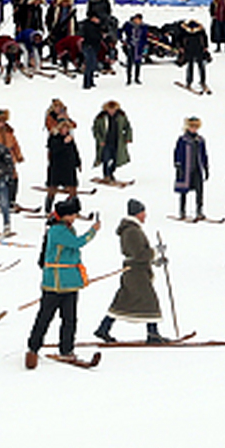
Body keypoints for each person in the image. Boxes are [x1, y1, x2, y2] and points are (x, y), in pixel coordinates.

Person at [26, 200, 101, 368]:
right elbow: (77, 243)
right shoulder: (57, 230)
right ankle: (33, 348)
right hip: (54, 282)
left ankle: (66, 349)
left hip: (70, 282)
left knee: (70, 319)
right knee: (45, 317)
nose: (75, 217)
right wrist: (93, 231)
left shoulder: (67, 228)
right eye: (73, 214)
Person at [95, 199, 170, 343]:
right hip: (136, 274)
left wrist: (156, 260)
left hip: (136, 272)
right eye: (143, 212)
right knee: (150, 301)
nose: (145, 215)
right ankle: (153, 334)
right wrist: (155, 251)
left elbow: (137, 254)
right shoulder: (132, 231)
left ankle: (103, 329)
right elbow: (139, 254)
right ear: (137, 214)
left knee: (123, 301)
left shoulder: (132, 229)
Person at [44, 118, 83, 215]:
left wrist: (78, 162)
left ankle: (75, 209)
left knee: (73, 189)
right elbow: (54, 150)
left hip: (69, 167)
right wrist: (64, 143)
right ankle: (47, 210)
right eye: (63, 128)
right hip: (56, 167)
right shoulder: (54, 138)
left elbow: (74, 151)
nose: (65, 130)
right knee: (52, 189)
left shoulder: (70, 138)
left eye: (67, 128)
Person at [173, 116, 208, 219]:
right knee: (183, 191)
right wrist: (178, 165)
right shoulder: (182, 140)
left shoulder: (200, 140)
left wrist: (206, 167)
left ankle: (199, 211)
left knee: (199, 190)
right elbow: (177, 153)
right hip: (185, 169)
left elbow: (204, 154)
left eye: (196, 127)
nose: (194, 129)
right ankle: (182, 211)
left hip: (197, 168)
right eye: (192, 126)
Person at [93, 100, 132, 183]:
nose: (111, 111)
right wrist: (100, 140)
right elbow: (95, 129)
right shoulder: (101, 117)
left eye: (113, 109)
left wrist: (128, 137)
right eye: (110, 109)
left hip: (117, 142)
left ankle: (110, 173)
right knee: (106, 159)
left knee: (116, 159)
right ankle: (106, 175)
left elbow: (127, 127)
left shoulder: (121, 116)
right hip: (105, 142)